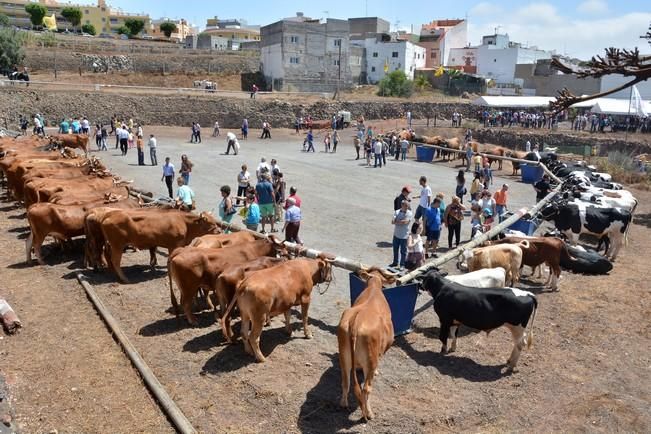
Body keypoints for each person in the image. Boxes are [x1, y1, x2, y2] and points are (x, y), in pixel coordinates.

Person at [390, 200, 413, 269]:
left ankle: (402, 265)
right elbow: (392, 221)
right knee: (395, 250)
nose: (407, 207)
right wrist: (400, 221)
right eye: (405, 206)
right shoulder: (397, 211)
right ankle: (395, 262)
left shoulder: (409, 213)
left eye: (407, 206)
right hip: (396, 235)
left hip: (404, 236)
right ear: (402, 205)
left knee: (403, 251)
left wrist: (397, 221)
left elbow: (405, 222)